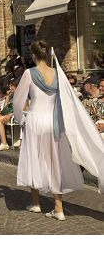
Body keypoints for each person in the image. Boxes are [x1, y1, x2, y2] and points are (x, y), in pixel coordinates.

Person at [14, 41, 103, 221]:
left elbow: (18, 101)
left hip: (35, 120)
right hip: (54, 122)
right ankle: (59, 208)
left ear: (33, 55)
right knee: (55, 163)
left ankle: (36, 203)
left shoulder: (29, 73)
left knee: (35, 159)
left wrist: (20, 119)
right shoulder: (57, 73)